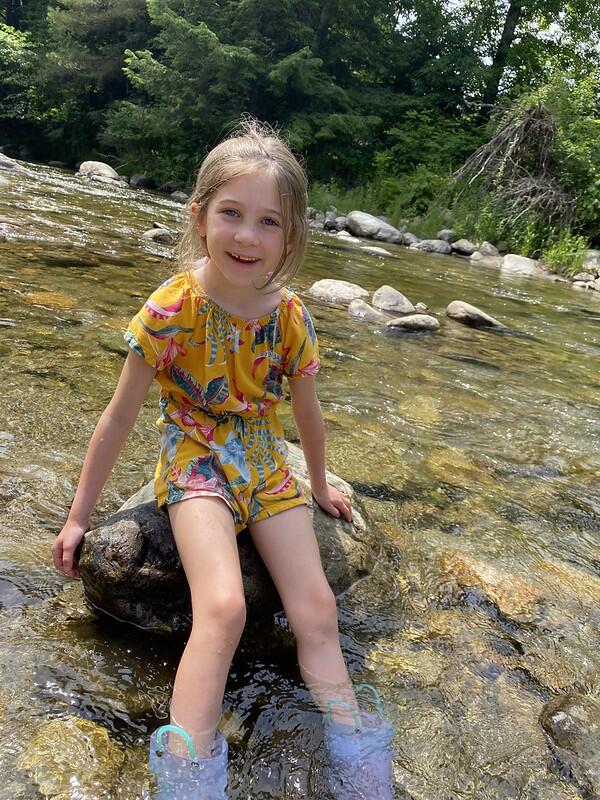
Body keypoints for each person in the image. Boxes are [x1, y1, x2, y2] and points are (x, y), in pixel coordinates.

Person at [51, 120, 394, 799]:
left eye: (268, 222)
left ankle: (359, 753)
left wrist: (320, 486)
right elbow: (118, 417)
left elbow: (306, 415)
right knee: (225, 608)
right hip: (195, 460)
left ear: (289, 238)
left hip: (265, 461)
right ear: (199, 215)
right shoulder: (170, 309)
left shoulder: (290, 316)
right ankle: (187, 770)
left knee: (317, 610)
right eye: (231, 213)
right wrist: (78, 518)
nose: (246, 236)